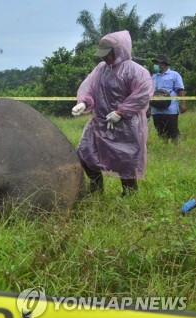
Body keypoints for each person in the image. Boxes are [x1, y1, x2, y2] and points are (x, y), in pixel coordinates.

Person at [71, 30, 154, 196]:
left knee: (126, 159)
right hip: (100, 123)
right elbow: (89, 87)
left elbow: (143, 94)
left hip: (126, 126)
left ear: (119, 50)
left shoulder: (135, 71)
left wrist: (121, 112)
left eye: (108, 54)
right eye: (102, 55)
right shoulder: (101, 69)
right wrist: (83, 102)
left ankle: (129, 193)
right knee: (85, 153)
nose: (104, 58)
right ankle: (96, 189)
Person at [150, 55, 186, 143]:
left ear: (164, 64)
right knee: (161, 133)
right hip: (156, 110)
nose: (156, 65)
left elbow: (180, 90)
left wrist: (183, 104)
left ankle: (176, 151)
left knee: (173, 132)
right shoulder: (153, 77)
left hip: (170, 110)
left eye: (157, 63)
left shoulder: (175, 75)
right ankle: (165, 149)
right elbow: (150, 92)